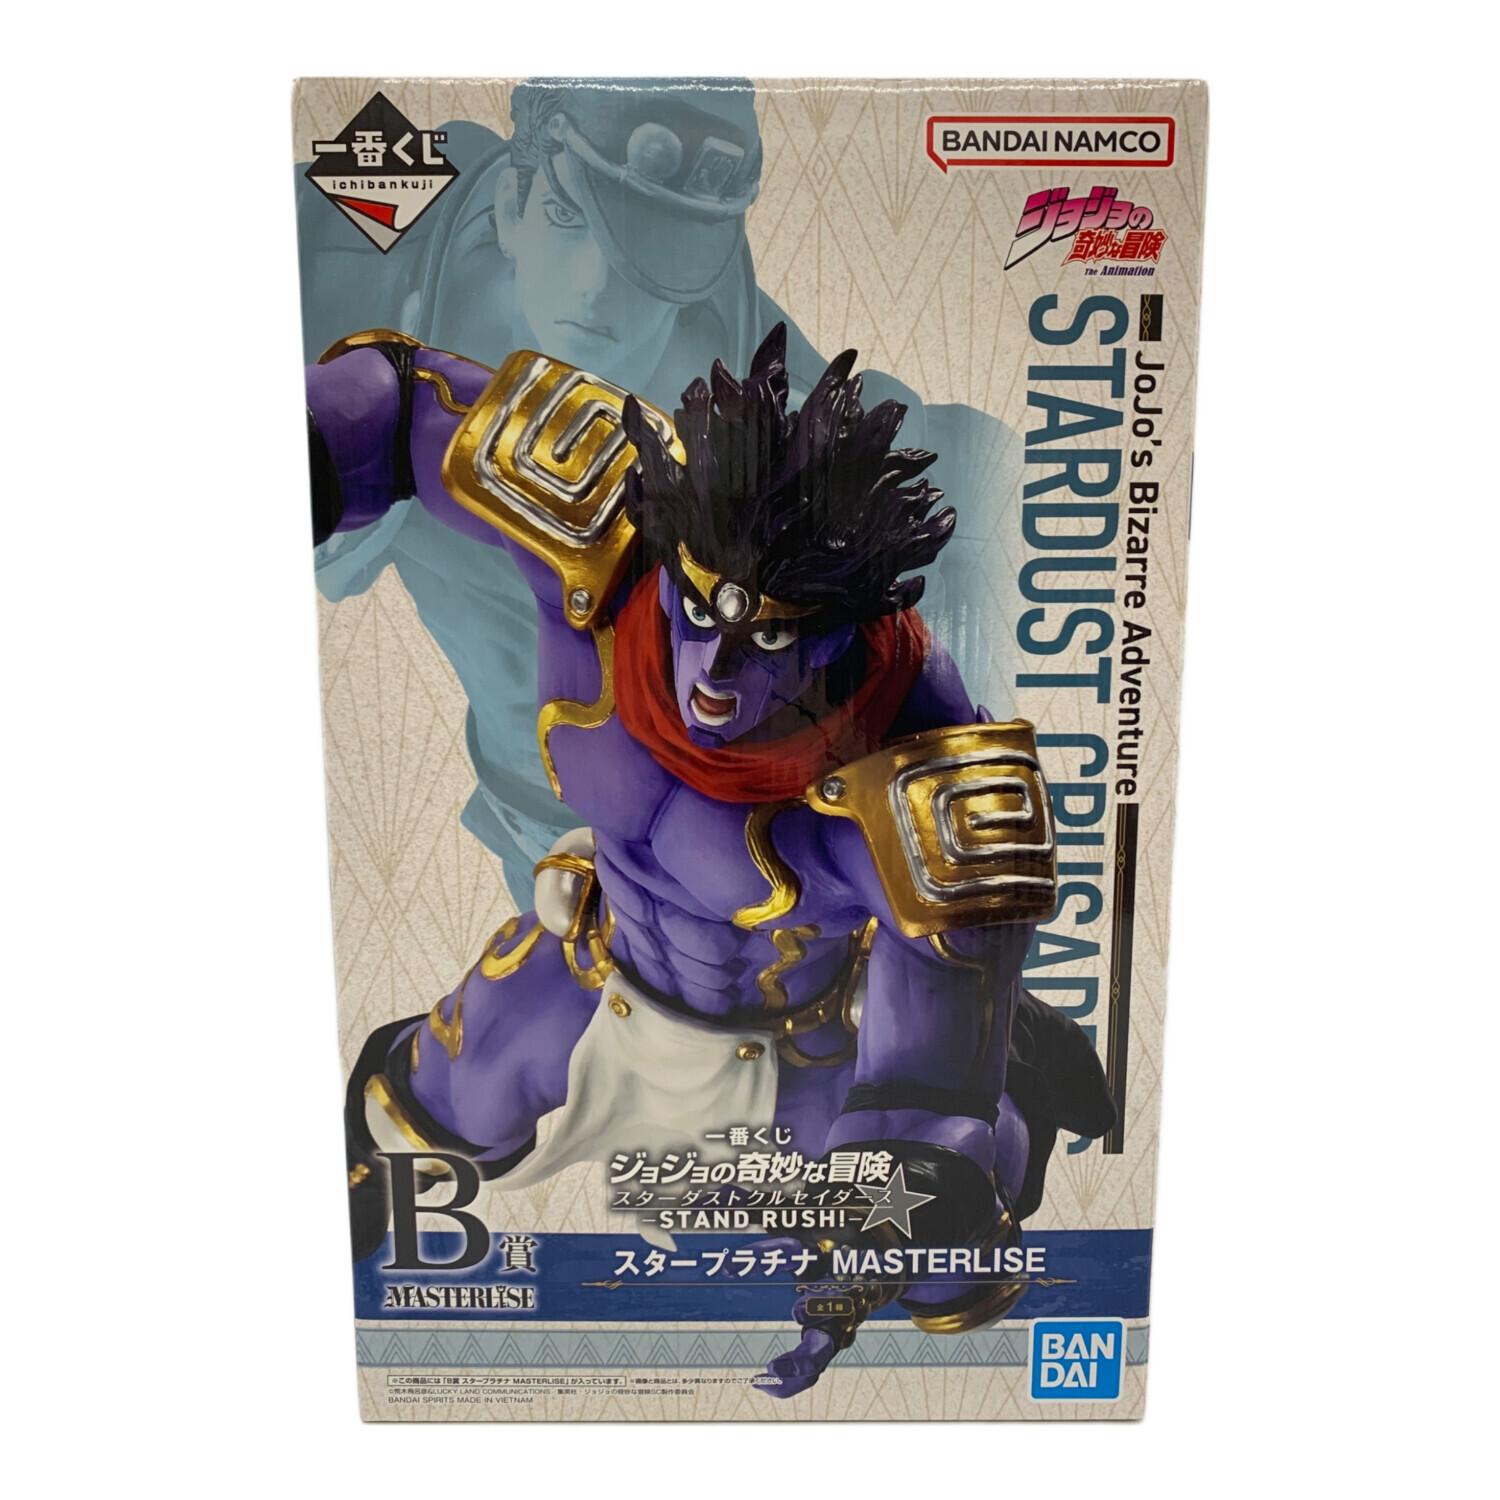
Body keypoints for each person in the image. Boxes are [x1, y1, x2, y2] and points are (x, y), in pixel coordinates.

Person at [309, 322, 1113, 1396]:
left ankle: (1017, 1084)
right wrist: (317, 445)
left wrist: (876, 1234)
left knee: (940, 1255)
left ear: (847, 626)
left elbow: (920, 1091)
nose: (713, 674)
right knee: (428, 1111)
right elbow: (409, 404)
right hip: (605, 954)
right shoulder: (611, 539)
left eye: (770, 636)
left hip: (804, 1037)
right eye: (700, 611)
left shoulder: (925, 760)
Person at [298, 79, 1018, 904]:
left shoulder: (743, 392)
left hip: (717, 835)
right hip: (546, 813)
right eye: (568, 216)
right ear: (512, 202)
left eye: (649, 262)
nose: (595, 287)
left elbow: (929, 473)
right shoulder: (373, 219)